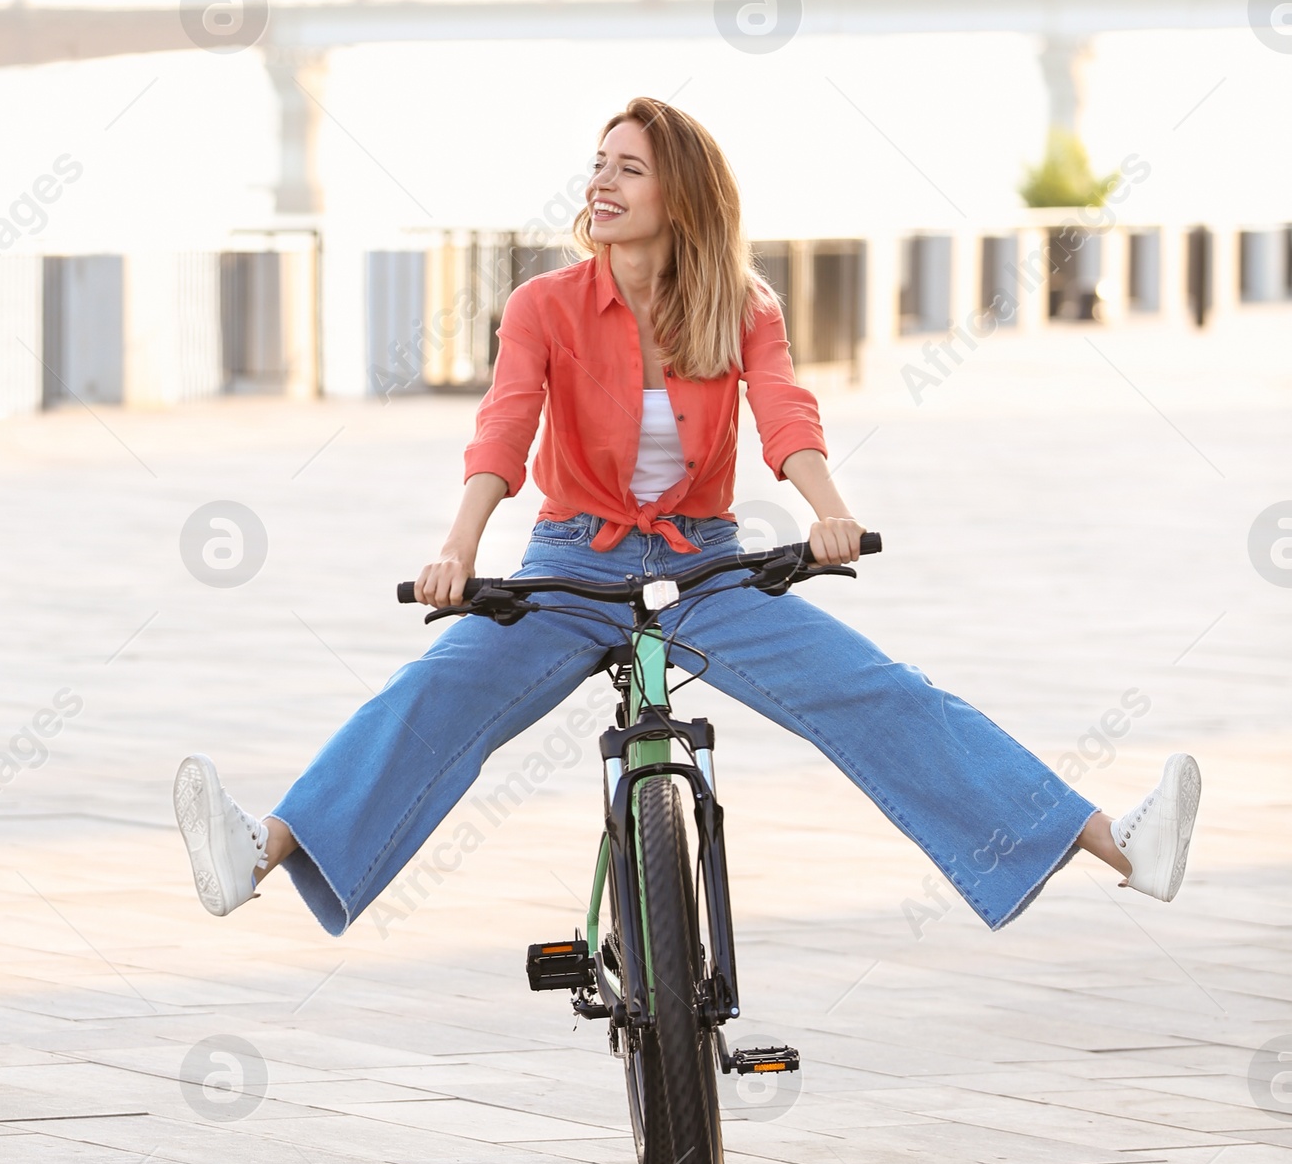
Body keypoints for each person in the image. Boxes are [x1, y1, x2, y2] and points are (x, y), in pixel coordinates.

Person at [173, 98, 1201, 935]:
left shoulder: (742, 305)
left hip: (706, 571)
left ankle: (1120, 844)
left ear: (682, 194)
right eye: (598, 164)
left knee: (883, 694)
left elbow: (784, 411)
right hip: (568, 567)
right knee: (435, 691)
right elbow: (505, 430)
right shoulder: (544, 306)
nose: (600, 183)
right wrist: (458, 549)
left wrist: (831, 513)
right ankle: (252, 854)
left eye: (627, 167)